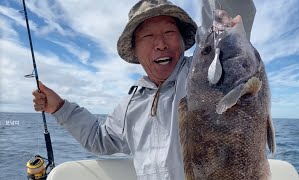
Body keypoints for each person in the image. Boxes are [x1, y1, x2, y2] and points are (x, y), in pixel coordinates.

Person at [33, 0, 256, 179]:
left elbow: (224, 25)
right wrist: (60, 108)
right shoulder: (131, 104)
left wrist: (226, 12)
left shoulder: (204, 71)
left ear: (183, 40)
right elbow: (100, 138)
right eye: (148, 36)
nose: (160, 44)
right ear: (135, 51)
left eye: (169, 32)